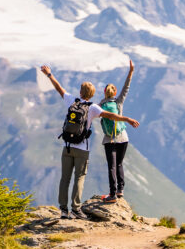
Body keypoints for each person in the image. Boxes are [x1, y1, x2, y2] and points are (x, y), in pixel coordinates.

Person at [40, 65, 140, 219]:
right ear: (92, 95)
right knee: (79, 178)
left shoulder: (72, 101)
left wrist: (49, 74)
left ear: (80, 93)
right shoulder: (93, 107)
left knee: (64, 178)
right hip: (82, 149)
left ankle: (63, 210)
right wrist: (127, 119)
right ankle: (76, 208)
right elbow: (111, 116)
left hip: (66, 146)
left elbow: (59, 88)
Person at [98, 59, 135, 203]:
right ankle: (120, 190)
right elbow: (127, 87)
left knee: (111, 166)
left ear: (104, 92)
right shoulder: (118, 102)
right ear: (115, 92)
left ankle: (112, 195)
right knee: (119, 164)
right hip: (123, 138)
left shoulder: (100, 106)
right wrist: (131, 71)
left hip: (110, 139)